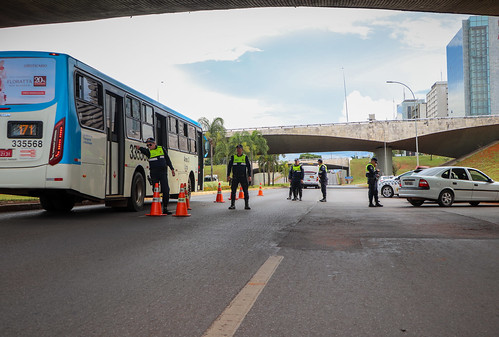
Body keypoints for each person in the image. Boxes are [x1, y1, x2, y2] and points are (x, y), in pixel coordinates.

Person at [135, 137, 175, 214]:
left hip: (163, 172)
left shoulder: (161, 149)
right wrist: (139, 148)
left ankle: (165, 208)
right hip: (154, 173)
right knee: (155, 190)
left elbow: (167, 159)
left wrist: (172, 169)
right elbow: (143, 150)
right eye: (147, 145)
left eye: (150, 144)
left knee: (166, 190)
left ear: (154, 143)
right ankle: (157, 207)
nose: (149, 146)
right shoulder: (149, 152)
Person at [227, 144, 252, 210]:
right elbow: (229, 167)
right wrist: (228, 175)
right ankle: (232, 205)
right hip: (235, 177)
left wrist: (249, 176)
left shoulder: (245, 157)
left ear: (242, 149)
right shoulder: (233, 157)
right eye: (237, 148)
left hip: (243, 177)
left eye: (239, 148)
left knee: (245, 191)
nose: (238, 150)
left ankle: (246, 205)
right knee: (233, 191)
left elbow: (249, 167)